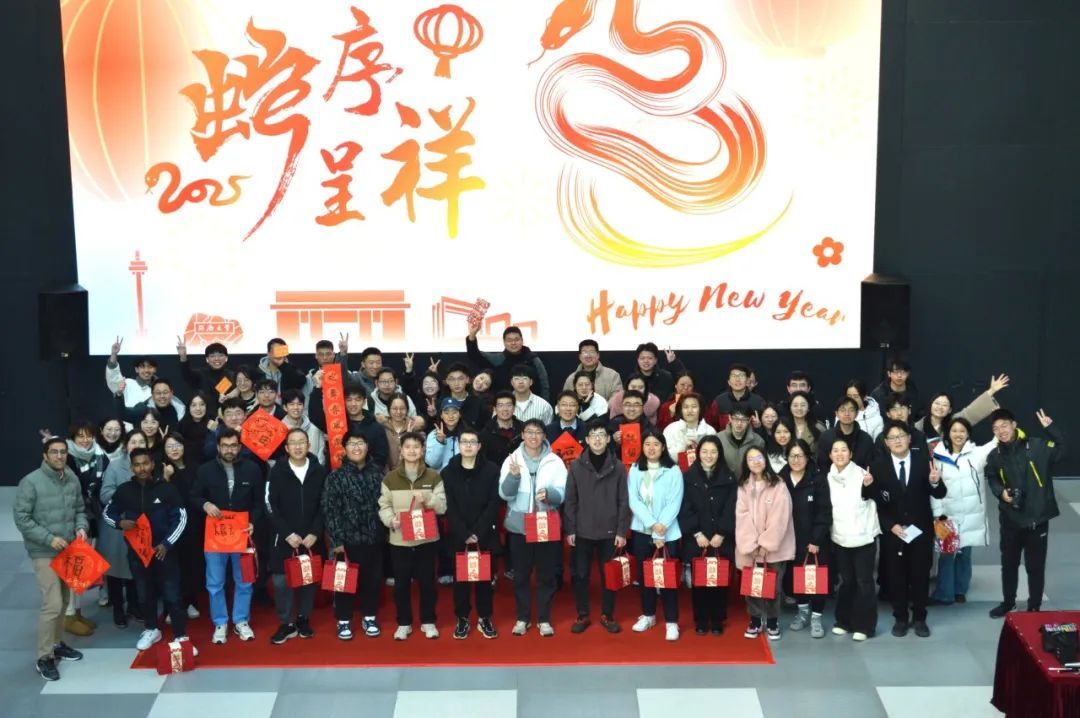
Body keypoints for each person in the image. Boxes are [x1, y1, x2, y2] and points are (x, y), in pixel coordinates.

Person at [103, 448, 193, 653]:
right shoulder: (124, 490)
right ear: (131, 468)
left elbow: (181, 518)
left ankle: (180, 635)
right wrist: (119, 523)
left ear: (152, 465)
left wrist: (167, 544)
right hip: (138, 555)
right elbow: (108, 512)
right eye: (137, 465)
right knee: (144, 595)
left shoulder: (167, 489)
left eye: (145, 463)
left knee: (172, 596)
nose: (141, 468)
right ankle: (151, 629)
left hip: (165, 554)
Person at [14, 437, 89, 681]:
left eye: (63, 452)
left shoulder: (72, 479)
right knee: (53, 604)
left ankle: (57, 644)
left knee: (65, 600)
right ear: (45, 455)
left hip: (68, 550)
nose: (59, 456)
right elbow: (22, 518)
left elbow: (80, 509)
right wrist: (49, 539)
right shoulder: (31, 482)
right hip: (43, 551)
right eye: (54, 452)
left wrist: (81, 527)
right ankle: (44, 658)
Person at [986, 408, 1066, 618]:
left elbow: (1062, 450)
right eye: (996, 428)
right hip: (1010, 519)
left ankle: (1034, 607)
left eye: (1004, 425)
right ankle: (1008, 603)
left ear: (1014, 425)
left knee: (1035, 567)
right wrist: (1000, 492)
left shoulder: (1037, 446)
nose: (1001, 431)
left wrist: (1051, 428)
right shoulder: (995, 455)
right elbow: (992, 477)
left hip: (1037, 519)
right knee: (1008, 565)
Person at [872, 420, 946, 638]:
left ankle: (920, 618)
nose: (897, 441)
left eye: (901, 436)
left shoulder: (924, 462)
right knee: (896, 577)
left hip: (920, 530)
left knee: (920, 576)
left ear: (909, 438)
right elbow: (876, 503)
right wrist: (890, 525)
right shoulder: (878, 466)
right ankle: (901, 618)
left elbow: (940, 493)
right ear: (886, 442)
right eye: (892, 437)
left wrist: (935, 482)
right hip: (894, 533)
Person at [191, 428, 263, 644]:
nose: (229, 450)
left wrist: (253, 522)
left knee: (245, 581)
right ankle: (220, 622)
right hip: (215, 535)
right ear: (218, 447)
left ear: (239, 447)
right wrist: (205, 504)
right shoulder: (205, 470)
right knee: (215, 582)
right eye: (225, 446)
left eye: (233, 446)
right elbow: (194, 495)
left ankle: (241, 620)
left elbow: (259, 502)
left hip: (242, 533)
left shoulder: (252, 469)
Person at [499, 419, 568, 637]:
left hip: (546, 524)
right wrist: (513, 476)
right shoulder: (512, 459)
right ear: (522, 435)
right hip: (520, 526)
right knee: (521, 575)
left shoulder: (555, 461)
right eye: (529, 432)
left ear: (544, 436)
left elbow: (563, 493)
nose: (533, 436)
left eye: (538, 432)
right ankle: (523, 618)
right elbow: (504, 494)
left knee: (546, 575)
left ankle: (544, 618)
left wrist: (550, 495)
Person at [378, 432, 447, 640]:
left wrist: (427, 497)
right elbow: (384, 505)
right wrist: (390, 520)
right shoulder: (390, 478)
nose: (412, 451)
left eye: (416, 447)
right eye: (407, 447)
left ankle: (428, 621)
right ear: (401, 450)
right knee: (401, 584)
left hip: (427, 539)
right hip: (400, 539)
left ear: (423, 450)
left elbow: (442, 506)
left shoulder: (433, 476)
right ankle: (404, 622)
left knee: (427, 583)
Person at [565, 420, 630, 634]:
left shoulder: (618, 467)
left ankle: (607, 615)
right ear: (586, 439)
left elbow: (624, 501)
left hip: (609, 531)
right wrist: (570, 529)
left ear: (609, 439)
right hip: (582, 530)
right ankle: (582, 614)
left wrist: (621, 531)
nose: (598, 439)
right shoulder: (576, 466)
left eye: (602, 435)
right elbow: (570, 500)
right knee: (581, 575)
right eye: (594, 435)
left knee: (608, 575)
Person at [323, 431, 387, 640]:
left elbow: (384, 505)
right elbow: (330, 510)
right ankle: (343, 620)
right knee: (344, 581)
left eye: (360, 443)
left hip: (373, 538)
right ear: (344, 448)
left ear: (367, 447)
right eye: (351, 444)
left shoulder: (377, 474)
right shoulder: (336, 477)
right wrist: (337, 540)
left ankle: (369, 616)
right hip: (346, 540)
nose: (356, 447)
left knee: (372, 580)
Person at [266, 430, 327, 645]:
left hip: (310, 537)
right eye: (293, 443)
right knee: (281, 581)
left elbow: (324, 504)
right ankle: (286, 623)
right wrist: (287, 533)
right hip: (284, 537)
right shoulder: (276, 471)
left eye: (302, 442)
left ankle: (303, 618)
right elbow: (269, 504)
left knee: (308, 579)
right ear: (286, 448)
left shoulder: (319, 471)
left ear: (308, 445)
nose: (298, 446)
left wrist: (315, 532)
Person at [928, 417, 996, 605]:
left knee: (965, 553)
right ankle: (944, 593)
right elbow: (934, 486)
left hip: (971, 514)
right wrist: (937, 513)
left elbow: (996, 441)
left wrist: (998, 417)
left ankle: (960, 590)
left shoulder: (977, 454)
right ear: (948, 433)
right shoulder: (937, 455)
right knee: (947, 554)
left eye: (962, 431)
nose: (958, 434)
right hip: (946, 514)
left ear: (968, 434)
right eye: (954, 431)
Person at [442, 427, 501, 639]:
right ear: (458, 445)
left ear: (479, 446)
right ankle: (463, 618)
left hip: (484, 534)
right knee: (461, 581)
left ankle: (485, 617)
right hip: (458, 535)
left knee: (485, 579)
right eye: (464, 442)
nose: (468, 445)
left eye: (472, 442)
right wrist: (464, 533)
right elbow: (449, 505)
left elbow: (494, 503)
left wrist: (477, 531)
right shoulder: (448, 472)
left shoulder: (492, 470)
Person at [627, 430, 684, 640]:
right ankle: (648, 615)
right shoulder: (635, 469)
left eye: (656, 444)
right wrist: (652, 525)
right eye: (647, 444)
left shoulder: (673, 470)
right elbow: (634, 500)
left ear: (663, 447)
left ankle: (671, 621)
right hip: (643, 530)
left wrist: (662, 526)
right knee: (645, 577)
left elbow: (675, 501)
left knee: (667, 577)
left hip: (668, 532)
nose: (651, 448)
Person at [679, 435, 737, 635]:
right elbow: (684, 507)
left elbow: (732, 507)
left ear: (719, 453)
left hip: (721, 538)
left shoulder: (729, 477)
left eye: (713, 451)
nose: (709, 456)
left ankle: (718, 619)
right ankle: (701, 620)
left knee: (719, 581)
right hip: (698, 538)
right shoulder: (688, 477)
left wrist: (722, 532)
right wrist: (696, 533)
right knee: (700, 581)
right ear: (698, 453)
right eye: (704, 451)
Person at [735, 447, 794, 641]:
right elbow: (742, 516)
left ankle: (772, 621)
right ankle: (755, 620)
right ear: (746, 463)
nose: (755, 461)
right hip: (750, 549)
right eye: (750, 459)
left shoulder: (778, 485)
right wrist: (752, 544)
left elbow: (780, 517)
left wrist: (766, 543)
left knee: (773, 587)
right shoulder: (743, 486)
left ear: (765, 459)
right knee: (752, 586)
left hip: (773, 549)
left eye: (759, 457)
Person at [826, 437, 880, 641]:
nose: (839, 454)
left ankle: (865, 626)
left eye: (844, 450)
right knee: (847, 581)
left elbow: (873, 499)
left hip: (863, 537)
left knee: (864, 582)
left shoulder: (862, 474)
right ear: (830, 455)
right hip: (840, 537)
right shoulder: (827, 477)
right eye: (835, 450)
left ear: (850, 454)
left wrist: (870, 486)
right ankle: (844, 621)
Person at [780, 440, 832, 639]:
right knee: (796, 578)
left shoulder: (817, 479)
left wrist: (816, 540)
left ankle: (816, 617)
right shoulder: (780, 479)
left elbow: (824, 511)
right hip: (790, 540)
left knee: (816, 578)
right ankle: (802, 613)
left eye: (800, 455)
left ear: (808, 457)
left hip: (814, 541)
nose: (796, 460)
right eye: (792, 456)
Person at [99, 430, 146, 627]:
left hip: (140, 526)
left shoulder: (149, 464)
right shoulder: (115, 464)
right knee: (116, 570)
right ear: (126, 445)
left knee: (136, 568)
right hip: (117, 525)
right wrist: (126, 495)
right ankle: (118, 608)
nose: (137, 445)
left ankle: (134, 606)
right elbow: (104, 494)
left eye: (141, 442)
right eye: (133, 441)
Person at [162, 432, 203, 619]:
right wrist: (166, 477)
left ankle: (190, 602)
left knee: (191, 564)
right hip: (170, 524)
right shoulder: (160, 468)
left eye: (177, 445)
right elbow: (159, 496)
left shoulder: (195, 467)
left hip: (193, 522)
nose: (174, 449)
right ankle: (172, 607)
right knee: (171, 567)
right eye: (170, 446)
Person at [309, 381, 390, 472]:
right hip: (337, 476)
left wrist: (365, 475)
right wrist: (317, 388)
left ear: (364, 402)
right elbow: (315, 417)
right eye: (349, 400)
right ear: (343, 401)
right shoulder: (335, 423)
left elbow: (380, 458)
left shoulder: (376, 427)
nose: (353, 404)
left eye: (357, 399)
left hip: (367, 477)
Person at [915, 374, 1009, 445]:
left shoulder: (954, 421)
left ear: (950, 410)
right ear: (931, 405)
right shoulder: (918, 426)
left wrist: (992, 390)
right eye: (937, 403)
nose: (940, 407)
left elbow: (970, 411)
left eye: (944, 405)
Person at [467, 324, 550, 398]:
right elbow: (475, 355)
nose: (513, 343)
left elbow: (544, 384)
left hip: (531, 405)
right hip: (504, 406)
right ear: (504, 342)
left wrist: (545, 403)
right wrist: (472, 335)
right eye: (509, 340)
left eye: (517, 339)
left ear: (522, 340)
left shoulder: (533, 359)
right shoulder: (498, 359)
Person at [815, 397, 875, 470]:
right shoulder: (826, 437)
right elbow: (822, 465)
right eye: (842, 410)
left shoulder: (866, 439)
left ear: (857, 413)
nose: (847, 414)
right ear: (836, 413)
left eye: (851, 410)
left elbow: (868, 466)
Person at [663, 393, 718, 465]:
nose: (690, 410)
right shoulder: (670, 429)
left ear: (700, 409)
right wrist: (683, 446)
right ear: (681, 410)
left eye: (694, 407)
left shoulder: (710, 431)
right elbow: (666, 458)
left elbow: (714, 458)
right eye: (686, 407)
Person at [717, 403, 765, 475]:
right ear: (730, 418)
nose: (739, 423)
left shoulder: (758, 441)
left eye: (743, 419)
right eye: (736, 419)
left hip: (749, 481)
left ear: (749, 420)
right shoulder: (718, 438)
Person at [281, 389, 326, 465]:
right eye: (292, 404)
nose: (296, 407)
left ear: (303, 406)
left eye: (299, 404)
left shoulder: (315, 429)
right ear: (285, 407)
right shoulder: (278, 430)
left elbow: (321, 456)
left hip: (313, 470)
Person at [479, 391, 523, 466]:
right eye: (500, 405)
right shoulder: (485, 433)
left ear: (514, 408)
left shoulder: (523, 429)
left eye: (509, 405)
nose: (505, 409)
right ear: (495, 408)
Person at [425, 397, 465, 471]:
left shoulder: (467, 435)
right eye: (446, 413)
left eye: (454, 412)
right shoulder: (433, 435)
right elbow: (432, 464)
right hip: (440, 476)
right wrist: (439, 442)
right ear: (441, 415)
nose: (451, 416)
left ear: (460, 415)